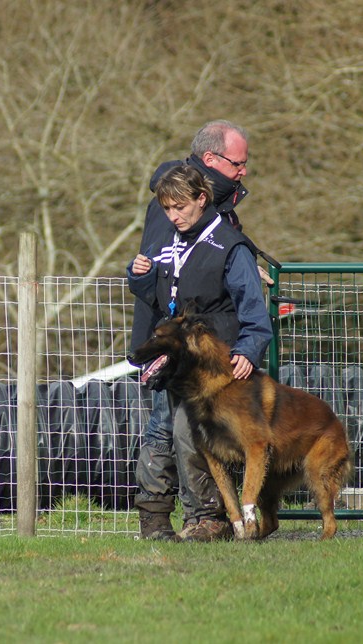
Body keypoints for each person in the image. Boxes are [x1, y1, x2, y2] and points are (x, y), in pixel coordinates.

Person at [128, 163, 273, 542]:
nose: (173, 216)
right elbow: (161, 298)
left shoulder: (229, 245)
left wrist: (249, 348)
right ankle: (160, 520)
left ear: (202, 199)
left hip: (216, 364)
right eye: (167, 209)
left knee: (191, 432)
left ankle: (209, 518)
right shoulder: (170, 242)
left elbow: (252, 306)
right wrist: (139, 277)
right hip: (179, 363)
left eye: (180, 207)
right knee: (166, 431)